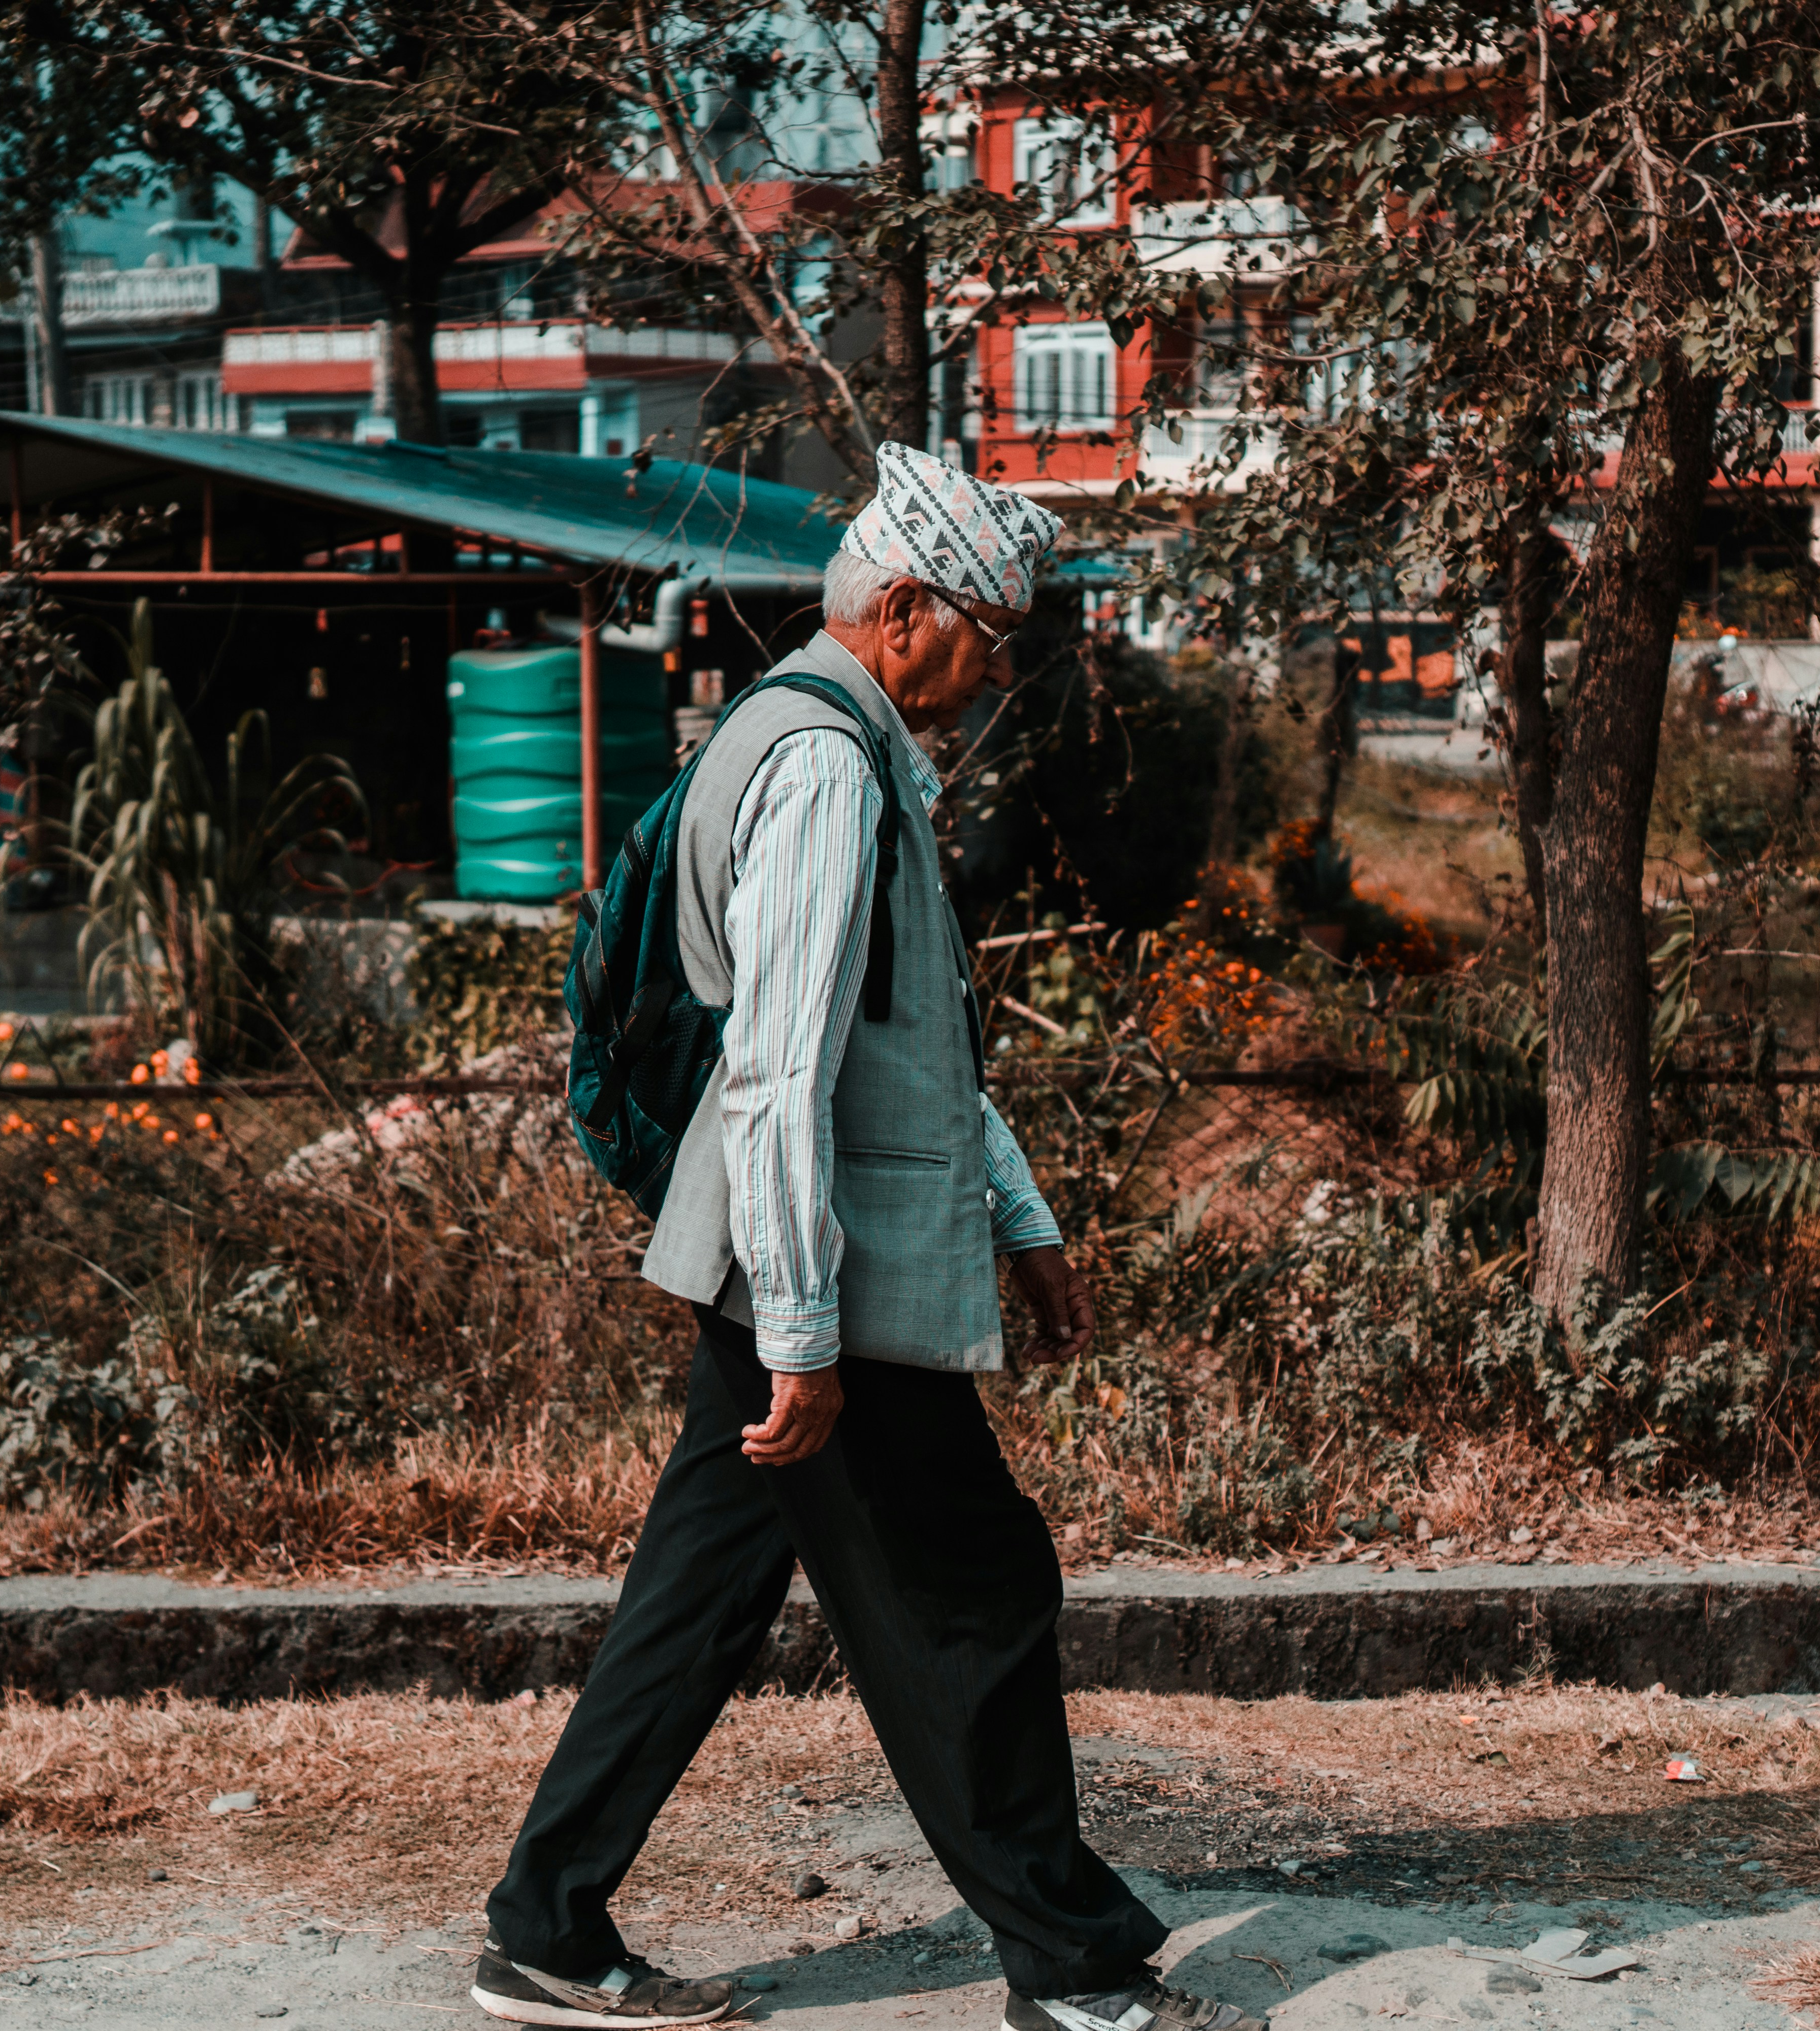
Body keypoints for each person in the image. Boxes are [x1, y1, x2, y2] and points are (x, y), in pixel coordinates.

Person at [474, 444, 1261, 2031]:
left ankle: (547, 1928)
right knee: (972, 1598)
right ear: (902, 609)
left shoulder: (841, 739)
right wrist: (809, 1339)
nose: (999, 663)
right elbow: (779, 1067)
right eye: (986, 629)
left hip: (785, 1260)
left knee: (698, 1600)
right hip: (818, 1273)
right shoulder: (828, 765)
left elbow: (911, 1039)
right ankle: (1077, 1968)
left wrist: (1026, 1225)